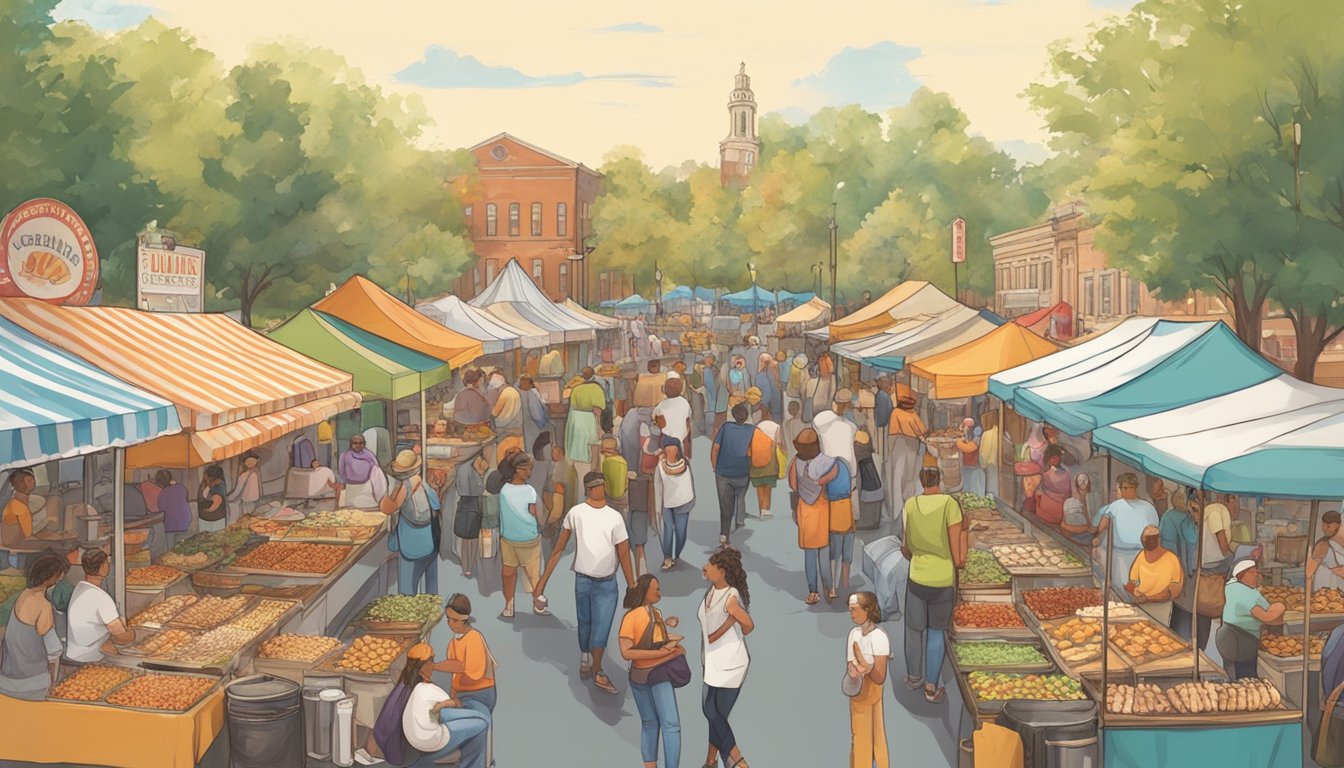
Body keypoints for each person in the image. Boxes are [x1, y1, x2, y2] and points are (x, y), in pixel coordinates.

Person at [534, 472, 636, 696]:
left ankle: (597, 669)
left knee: (601, 628)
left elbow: (624, 553)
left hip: (607, 583)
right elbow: (558, 549)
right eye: (596, 485)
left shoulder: (615, 517)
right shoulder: (576, 513)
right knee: (585, 623)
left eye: (602, 484)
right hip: (582, 579)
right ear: (589, 489)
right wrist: (541, 584)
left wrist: (632, 585)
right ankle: (585, 656)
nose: (601, 489)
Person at [901, 467, 965, 703]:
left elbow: (906, 547)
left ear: (921, 481)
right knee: (937, 631)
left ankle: (913, 677)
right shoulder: (950, 505)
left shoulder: (910, 505)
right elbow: (958, 558)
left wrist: (919, 556)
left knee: (914, 629)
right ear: (941, 480)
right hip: (942, 579)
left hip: (917, 576)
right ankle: (931, 687)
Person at [619, 574, 685, 768]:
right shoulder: (632, 617)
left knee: (650, 723)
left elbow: (655, 639)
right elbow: (626, 652)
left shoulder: (655, 614)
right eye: (656, 588)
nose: (659, 592)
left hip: (638, 676)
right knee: (671, 725)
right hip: (656, 674)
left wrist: (667, 628)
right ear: (645, 591)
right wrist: (667, 654)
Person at [697, 547, 754, 768]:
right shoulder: (711, 592)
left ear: (721, 571)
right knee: (715, 714)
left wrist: (729, 623)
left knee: (711, 711)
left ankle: (738, 761)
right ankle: (711, 761)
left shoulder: (731, 597)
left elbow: (748, 625)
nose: (705, 567)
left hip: (731, 664)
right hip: (712, 663)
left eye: (709, 565)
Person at [400, 643, 491, 768]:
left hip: (416, 737)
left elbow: (436, 712)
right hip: (431, 739)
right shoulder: (431, 690)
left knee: (474, 722)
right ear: (423, 666)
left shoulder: (416, 688)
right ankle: (471, 765)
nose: (434, 664)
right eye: (432, 660)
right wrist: (475, 713)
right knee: (482, 723)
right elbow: (447, 711)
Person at [0, 554, 68, 699]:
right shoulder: (43, 605)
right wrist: (53, 684)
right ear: (54, 577)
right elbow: (53, 652)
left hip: (6, 682)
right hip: (32, 685)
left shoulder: (23, 596)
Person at [789, 428, 837, 606]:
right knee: (824, 550)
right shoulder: (825, 462)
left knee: (810, 554)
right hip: (822, 507)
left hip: (805, 509)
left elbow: (793, 484)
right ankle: (829, 588)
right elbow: (835, 473)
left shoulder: (795, 462)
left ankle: (813, 592)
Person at [380, 450, 440, 595]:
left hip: (410, 546)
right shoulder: (424, 485)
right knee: (431, 590)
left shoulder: (404, 486)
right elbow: (436, 505)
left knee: (408, 591)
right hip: (430, 543)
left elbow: (386, 508)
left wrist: (394, 489)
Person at [1092, 473, 1161, 598]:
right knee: (1129, 586)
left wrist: (1096, 536)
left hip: (1132, 554)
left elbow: (1101, 527)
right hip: (1129, 553)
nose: (1126, 490)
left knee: (1124, 587)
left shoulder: (1121, 506)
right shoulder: (1147, 507)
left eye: (1127, 488)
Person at [1218, 560, 1286, 681]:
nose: (1256, 575)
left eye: (1256, 572)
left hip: (1239, 638)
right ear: (1241, 575)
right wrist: (1281, 606)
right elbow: (1267, 617)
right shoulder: (1241, 592)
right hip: (1238, 639)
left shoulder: (1238, 587)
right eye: (1252, 572)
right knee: (1244, 679)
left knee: (1239, 676)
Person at [65, 549, 136, 664]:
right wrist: (134, 634)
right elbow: (121, 636)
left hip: (75, 653)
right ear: (103, 567)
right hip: (91, 657)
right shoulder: (100, 598)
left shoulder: (79, 588)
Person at [845, 591, 891, 768]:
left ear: (868, 610)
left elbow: (880, 677)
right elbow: (850, 661)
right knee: (860, 736)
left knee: (876, 736)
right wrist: (852, 669)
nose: (852, 614)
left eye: (855, 610)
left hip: (872, 692)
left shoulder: (879, 638)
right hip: (857, 694)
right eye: (850, 610)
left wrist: (866, 667)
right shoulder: (853, 634)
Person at [435, 594, 497, 722]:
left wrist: (435, 666)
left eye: (455, 620)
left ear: (465, 619)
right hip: (462, 695)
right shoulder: (453, 643)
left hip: (479, 694)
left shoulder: (473, 637)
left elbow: (469, 670)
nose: (451, 624)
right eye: (448, 619)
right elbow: (455, 676)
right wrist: (453, 697)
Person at [498, 453, 545, 618]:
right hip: (523, 538)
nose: (528, 473)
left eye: (530, 469)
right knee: (531, 575)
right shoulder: (528, 491)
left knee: (509, 574)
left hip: (513, 538)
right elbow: (535, 512)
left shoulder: (505, 491)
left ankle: (511, 605)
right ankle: (534, 602)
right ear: (516, 470)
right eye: (524, 469)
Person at [711, 404, 756, 546]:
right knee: (741, 496)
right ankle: (739, 521)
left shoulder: (726, 428)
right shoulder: (752, 430)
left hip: (723, 472)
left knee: (725, 505)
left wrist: (714, 465)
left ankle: (724, 535)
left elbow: (716, 448)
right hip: (743, 472)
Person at [602, 436, 645, 578]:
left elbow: (607, 484)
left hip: (610, 501)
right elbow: (624, 485)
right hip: (623, 501)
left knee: (613, 533)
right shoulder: (622, 462)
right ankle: (637, 556)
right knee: (625, 529)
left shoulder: (606, 463)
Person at [1124, 525, 1183, 625]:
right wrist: (1134, 592)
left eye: (1153, 537)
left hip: (1160, 609)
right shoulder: (1141, 555)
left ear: (1159, 539)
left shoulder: (1171, 559)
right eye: (1146, 538)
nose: (1148, 541)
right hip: (1140, 606)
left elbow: (1173, 591)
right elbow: (1132, 582)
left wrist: (1149, 599)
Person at [885, 384, 926, 525]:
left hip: (898, 445)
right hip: (911, 446)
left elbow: (891, 434)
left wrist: (890, 453)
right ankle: (908, 511)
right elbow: (922, 432)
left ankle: (898, 514)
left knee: (897, 478)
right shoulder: (913, 415)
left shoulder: (895, 413)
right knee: (910, 478)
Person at [1162, 490, 1201, 638]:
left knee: (1178, 609)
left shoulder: (1167, 516)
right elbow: (1194, 541)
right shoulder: (1188, 520)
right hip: (1189, 571)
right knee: (1187, 609)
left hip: (1174, 568)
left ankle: (1177, 637)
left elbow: (1163, 541)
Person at [2, 469, 74, 549]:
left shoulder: (15, 503)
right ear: (21, 485)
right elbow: (29, 536)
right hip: (15, 543)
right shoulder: (21, 509)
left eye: (32, 479)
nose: (33, 481)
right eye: (29, 480)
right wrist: (57, 536)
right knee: (56, 544)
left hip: (14, 539)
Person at [655, 442, 694, 571]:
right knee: (667, 531)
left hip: (683, 502)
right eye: (668, 448)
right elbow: (658, 487)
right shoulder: (660, 466)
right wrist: (657, 507)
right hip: (667, 504)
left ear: (678, 450)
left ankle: (677, 554)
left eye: (673, 449)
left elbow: (691, 482)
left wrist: (691, 500)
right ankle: (667, 557)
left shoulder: (685, 463)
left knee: (681, 532)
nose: (670, 451)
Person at [566, 368, 607, 479]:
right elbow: (597, 412)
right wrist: (601, 429)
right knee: (592, 457)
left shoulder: (576, 389)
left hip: (576, 425)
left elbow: (571, 409)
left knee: (578, 460)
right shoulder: (596, 389)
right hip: (589, 424)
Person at [542, 443, 576, 561]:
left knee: (556, 524)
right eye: (552, 453)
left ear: (561, 453)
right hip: (556, 500)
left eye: (555, 453)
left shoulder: (563, 467)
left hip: (558, 500)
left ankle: (555, 551)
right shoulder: (558, 465)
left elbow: (559, 486)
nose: (553, 455)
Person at [337, 434, 388, 509]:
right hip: (351, 487)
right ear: (351, 444)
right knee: (349, 511)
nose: (358, 445)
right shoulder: (345, 456)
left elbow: (376, 471)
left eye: (360, 443)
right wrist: (343, 484)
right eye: (355, 443)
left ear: (364, 443)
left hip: (365, 488)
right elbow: (342, 471)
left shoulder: (369, 455)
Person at [748, 411, 782, 521]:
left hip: (757, 460)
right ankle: (766, 510)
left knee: (759, 487)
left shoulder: (758, 427)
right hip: (770, 460)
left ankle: (761, 509)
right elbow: (779, 442)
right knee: (768, 487)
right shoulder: (776, 427)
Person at [654, 377, 693, 459]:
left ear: (665, 390)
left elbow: (655, 418)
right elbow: (688, 419)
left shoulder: (661, 405)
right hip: (683, 437)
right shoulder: (685, 402)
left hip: (667, 438)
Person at [1035, 445, 1072, 526]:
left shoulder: (1065, 474)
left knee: (1038, 494)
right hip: (1059, 508)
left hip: (1055, 507)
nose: (1056, 459)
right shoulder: (1047, 475)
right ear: (1049, 459)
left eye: (1057, 457)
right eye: (1053, 457)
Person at [1310, 510, 1344, 593]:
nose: (1326, 528)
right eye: (1324, 525)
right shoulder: (1322, 545)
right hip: (1325, 588)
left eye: (1329, 526)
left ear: (1339, 525)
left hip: (1340, 589)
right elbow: (1309, 572)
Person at [154, 470, 193, 540]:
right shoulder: (181, 488)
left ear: (158, 483)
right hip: (184, 525)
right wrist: (174, 484)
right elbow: (186, 497)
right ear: (170, 479)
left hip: (169, 527)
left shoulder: (161, 495)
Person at [227, 452, 262, 521]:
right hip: (255, 501)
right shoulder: (256, 473)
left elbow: (237, 491)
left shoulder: (243, 476)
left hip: (247, 503)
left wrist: (228, 498)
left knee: (247, 521)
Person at [955, 418, 985, 497]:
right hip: (966, 468)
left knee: (975, 494)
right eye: (966, 426)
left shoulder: (977, 438)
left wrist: (958, 443)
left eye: (969, 427)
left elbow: (968, 448)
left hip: (975, 469)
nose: (967, 429)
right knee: (967, 492)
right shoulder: (966, 437)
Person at [197, 464, 230, 533]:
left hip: (214, 519)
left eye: (206, 478)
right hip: (206, 518)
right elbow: (203, 496)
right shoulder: (207, 485)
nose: (205, 479)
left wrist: (207, 510)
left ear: (213, 479)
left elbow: (216, 503)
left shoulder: (218, 488)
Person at [754, 353, 782, 425]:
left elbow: (766, 394)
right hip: (774, 406)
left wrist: (763, 404)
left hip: (767, 407)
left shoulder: (760, 376)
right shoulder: (773, 372)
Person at [978, 411, 1001, 499]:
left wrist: (982, 465)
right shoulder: (1005, 433)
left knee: (991, 490)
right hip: (1002, 466)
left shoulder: (987, 434)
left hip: (991, 466)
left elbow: (984, 453)